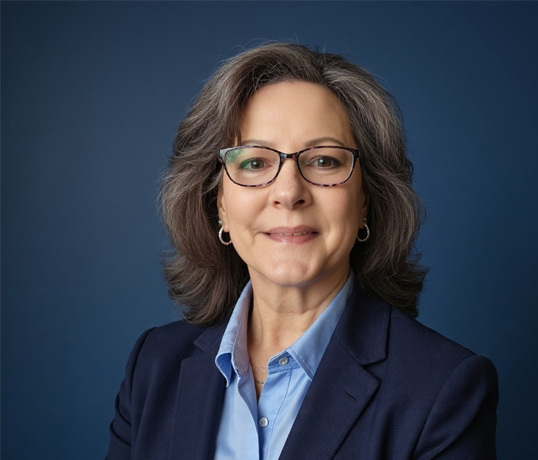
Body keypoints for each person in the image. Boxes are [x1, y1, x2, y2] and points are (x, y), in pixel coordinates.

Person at [107, 43, 498, 460]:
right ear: (218, 202)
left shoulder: (443, 388)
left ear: (366, 198)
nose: (289, 193)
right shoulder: (154, 365)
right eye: (254, 163)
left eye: (325, 161)